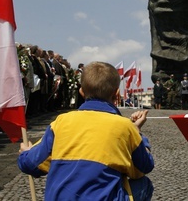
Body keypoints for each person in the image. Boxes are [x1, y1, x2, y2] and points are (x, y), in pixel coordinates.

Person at [18, 62, 154, 200]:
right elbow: (145, 166)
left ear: (81, 92)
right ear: (117, 94)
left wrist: (26, 153)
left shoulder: (61, 122)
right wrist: (137, 132)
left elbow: (31, 165)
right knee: (144, 184)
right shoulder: (125, 126)